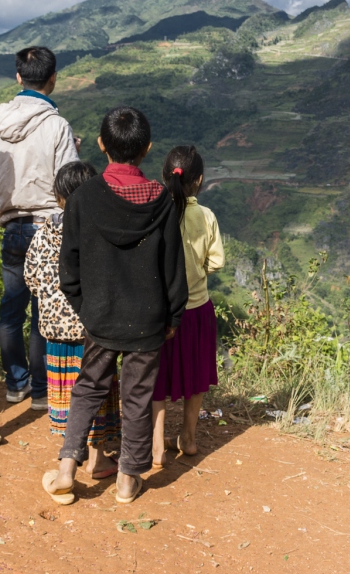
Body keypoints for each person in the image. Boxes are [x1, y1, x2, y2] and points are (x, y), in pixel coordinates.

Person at [46, 106, 188, 506]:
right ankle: (127, 480)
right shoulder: (162, 200)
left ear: (101, 145)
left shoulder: (83, 198)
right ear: (147, 148)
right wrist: (173, 314)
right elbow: (173, 265)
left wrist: (85, 305)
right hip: (148, 320)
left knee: (88, 387)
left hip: (100, 315)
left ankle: (66, 469)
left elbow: (69, 264)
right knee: (138, 397)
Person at [0, 47, 80, 409]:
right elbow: (68, 185)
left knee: (11, 308)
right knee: (43, 309)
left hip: (12, 226)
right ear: (53, 78)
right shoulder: (57, 125)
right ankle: (41, 390)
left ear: (18, 77)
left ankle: (15, 383)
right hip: (47, 225)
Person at [24, 160, 119, 480]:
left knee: (67, 395)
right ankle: (98, 458)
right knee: (98, 393)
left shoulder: (42, 234)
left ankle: (69, 452)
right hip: (91, 330)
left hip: (54, 331)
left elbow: (32, 279)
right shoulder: (100, 231)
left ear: (58, 196)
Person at [151, 146, 225, 465]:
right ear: (200, 181)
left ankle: (155, 444)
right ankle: (189, 437)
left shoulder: (154, 212)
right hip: (197, 308)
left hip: (160, 311)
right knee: (195, 377)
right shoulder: (206, 216)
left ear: (165, 177)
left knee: (157, 377)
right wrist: (196, 272)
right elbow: (217, 262)